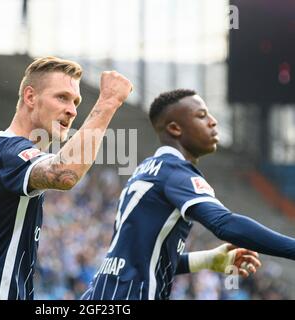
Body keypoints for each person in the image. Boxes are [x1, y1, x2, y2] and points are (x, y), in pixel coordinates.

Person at [0, 56, 133, 300]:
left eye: (76, 102)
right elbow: (64, 174)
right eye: (62, 97)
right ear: (30, 97)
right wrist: (109, 101)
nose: (72, 110)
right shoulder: (12, 154)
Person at [81, 89, 295, 300]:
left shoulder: (145, 170)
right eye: (201, 116)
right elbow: (224, 223)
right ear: (175, 128)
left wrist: (206, 259)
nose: (213, 121)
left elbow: (141, 260)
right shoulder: (175, 172)